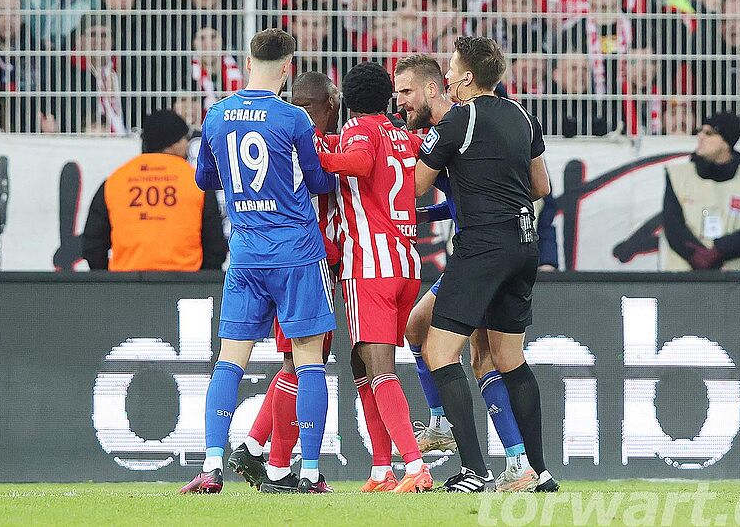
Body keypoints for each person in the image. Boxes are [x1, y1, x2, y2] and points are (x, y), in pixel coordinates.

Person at [180, 29, 337, 495]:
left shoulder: (217, 115)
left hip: (246, 254)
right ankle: (309, 473)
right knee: (308, 361)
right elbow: (318, 181)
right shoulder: (294, 118)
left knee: (229, 361)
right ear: (288, 68)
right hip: (296, 254)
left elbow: (204, 179)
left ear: (247, 62)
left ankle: (211, 465)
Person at [414, 37, 556, 493]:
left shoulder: (461, 118)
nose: (448, 77)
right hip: (524, 243)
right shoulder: (522, 115)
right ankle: (538, 472)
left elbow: (416, 185)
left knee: (439, 352)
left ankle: (474, 470)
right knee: (510, 359)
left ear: (468, 77)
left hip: (482, 248)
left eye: (453, 69)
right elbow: (541, 186)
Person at [315, 62, 433, 494]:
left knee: (380, 368)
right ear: (387, 97)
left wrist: (316, 158)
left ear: (347, 100)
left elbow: (361, 161)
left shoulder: (358, 128)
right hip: (406, 264)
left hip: (370, 265)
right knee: (361, 363)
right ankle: (382, 470)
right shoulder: (402, 134)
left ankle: (415, 466)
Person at [226, 71, 342, 494]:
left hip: (277, 258)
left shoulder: (285, 140)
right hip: (306, 262)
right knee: (303, 364)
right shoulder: (316, 145)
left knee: (294, 363)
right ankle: (276, 464)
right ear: (330, 105)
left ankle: (255, 446)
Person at [81, 109, 226, 271]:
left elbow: (93, 245)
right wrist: (200, 279)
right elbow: (215, 245)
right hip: (185, 280)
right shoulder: (197, 183)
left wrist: (110, 280)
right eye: (184, 139)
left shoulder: (115, 181)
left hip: (126, 280)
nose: (186, 144)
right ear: (173, 143)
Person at [660, 111, 740, 271]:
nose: (700, 136)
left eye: (709, 133)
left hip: (732, 279)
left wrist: (718, 252)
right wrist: (696, 255)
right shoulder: (677, 175)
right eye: (700, 131)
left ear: (726, 143)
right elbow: (673, 226)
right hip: (683, 278)